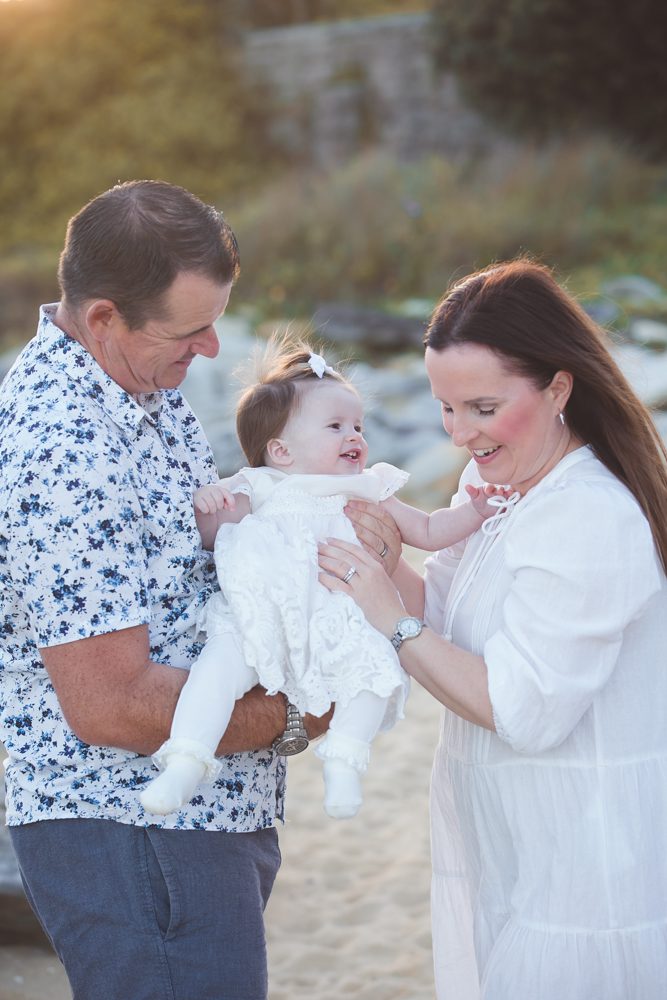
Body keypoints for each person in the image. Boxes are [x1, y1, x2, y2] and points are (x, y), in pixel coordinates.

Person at [0, 180, 397, 1000]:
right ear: (104, 316)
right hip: (133, 831)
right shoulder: (62, 447)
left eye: (216, 319)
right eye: (189, 330)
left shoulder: (145, 390)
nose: (214, 350)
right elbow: (110, 704)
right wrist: (304, 712)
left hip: (199, 821)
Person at [318, 259, 667, 1000]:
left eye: (481, 407)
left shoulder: (588, 515)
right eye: (445, 408)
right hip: (515, 846)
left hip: (587, 866)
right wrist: (380, 564)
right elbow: (448, 623)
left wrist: (388, 612)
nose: (458, 433)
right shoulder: (494, 487)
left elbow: (520, 707)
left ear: (558, 388)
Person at [139, 337, 511, 821]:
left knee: (375, 670)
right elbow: (209, 538)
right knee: (217, 670)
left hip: (337, 613)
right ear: (281, 451)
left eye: (357, 425)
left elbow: (427, 530)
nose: (354, 436)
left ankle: (345, 759)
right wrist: (207, 504)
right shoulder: (258, 485)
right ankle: (185, 759)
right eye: (335, 426)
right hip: (262, 612)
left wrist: (473, 510)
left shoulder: (367, 487)